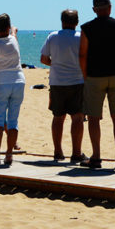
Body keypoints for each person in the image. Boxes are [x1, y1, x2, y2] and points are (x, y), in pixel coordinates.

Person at [79, 0, 115, 170]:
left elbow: (82, 54)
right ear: (110, 7)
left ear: (95, 10)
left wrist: (85, 74)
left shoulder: (87, 28)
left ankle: (96, 157)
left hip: (94, 76)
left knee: (94, 118)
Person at [40, 9, 85, 163]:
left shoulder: (53, 36)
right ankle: (76, 153)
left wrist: (57, 63)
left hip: (57, 82)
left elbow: (44, 59)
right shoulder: (81, 37)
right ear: (77, 22)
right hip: (77, 81)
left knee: (58, 118)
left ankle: (58, 151)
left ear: (62, 21)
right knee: (77, 118)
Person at [0, 14, 25, 166]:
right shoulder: (14, 40)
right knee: (13, 121)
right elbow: (13, 32)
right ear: (8, 28)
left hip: (1, 83)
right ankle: (9, 154)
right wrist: (12, 29)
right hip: (19, 82)